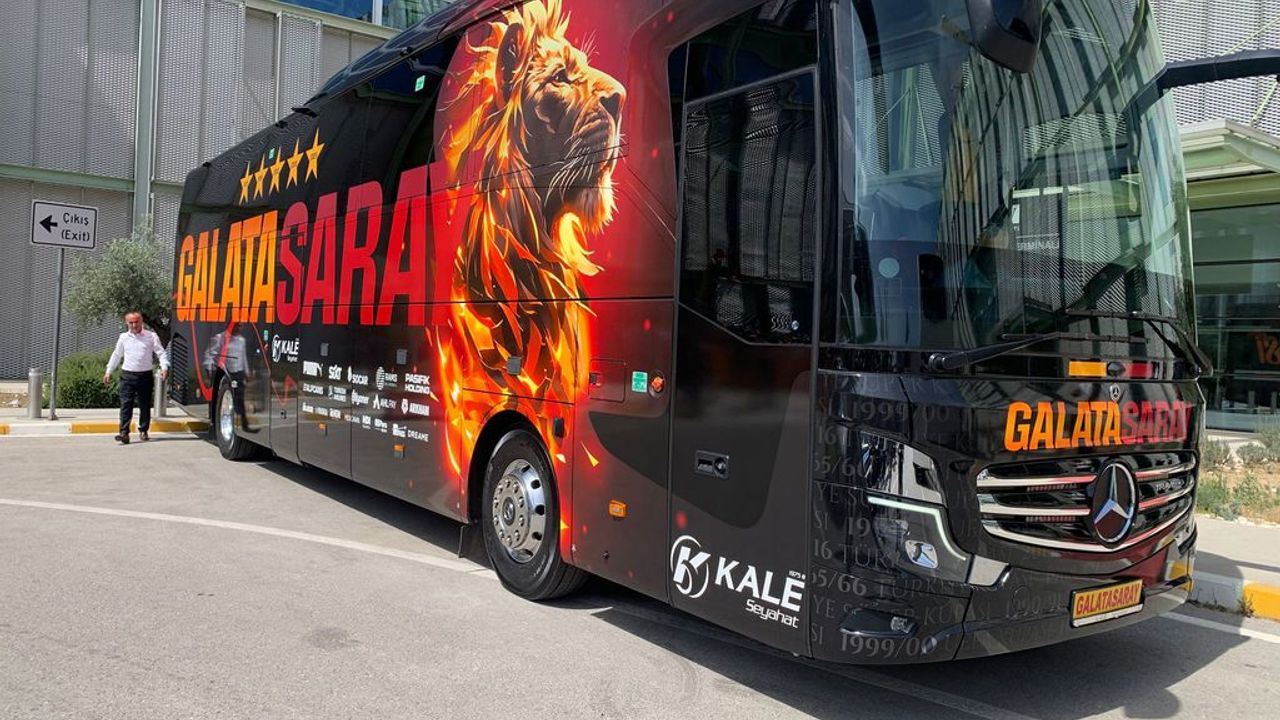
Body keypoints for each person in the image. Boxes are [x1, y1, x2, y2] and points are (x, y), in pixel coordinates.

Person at [103, 311, 169, 444]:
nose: (134, 325)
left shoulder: (151, 336)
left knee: (144, 405)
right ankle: (124, 433)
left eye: (136, 322)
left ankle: (143, 430)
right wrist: (109, 371)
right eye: (131, 322)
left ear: (141, 321)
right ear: (126, 323)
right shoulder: (123, 337)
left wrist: (164, 367)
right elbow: (117, 355)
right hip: (128, 375)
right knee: (126, 405)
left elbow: (161, 353)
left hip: (145, 375)